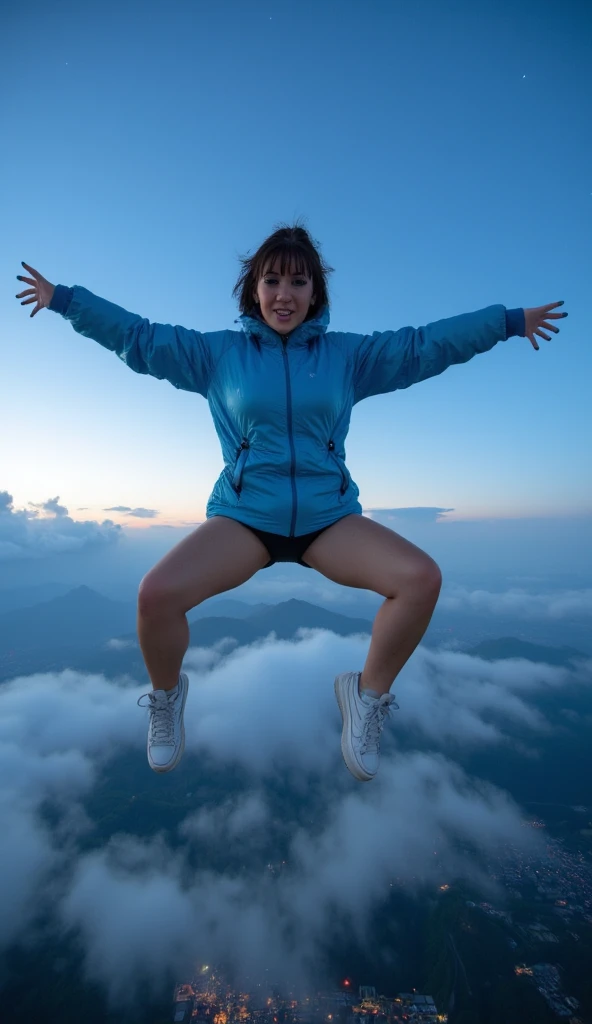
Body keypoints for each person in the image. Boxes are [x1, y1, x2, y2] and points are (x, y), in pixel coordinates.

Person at [15, 225, 568, 783]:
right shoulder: (217, 355)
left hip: (329, 519)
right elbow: (138, 337)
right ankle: (166, 700)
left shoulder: (347, 357)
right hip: (246, 517)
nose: (285, 293)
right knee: (154, 596)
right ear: (253, 290)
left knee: (421, 579)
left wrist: (506, 322)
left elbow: (423, 346)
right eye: (272, 280)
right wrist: (65, 301)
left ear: (314, 294)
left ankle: (365, 697)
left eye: (298, 282)